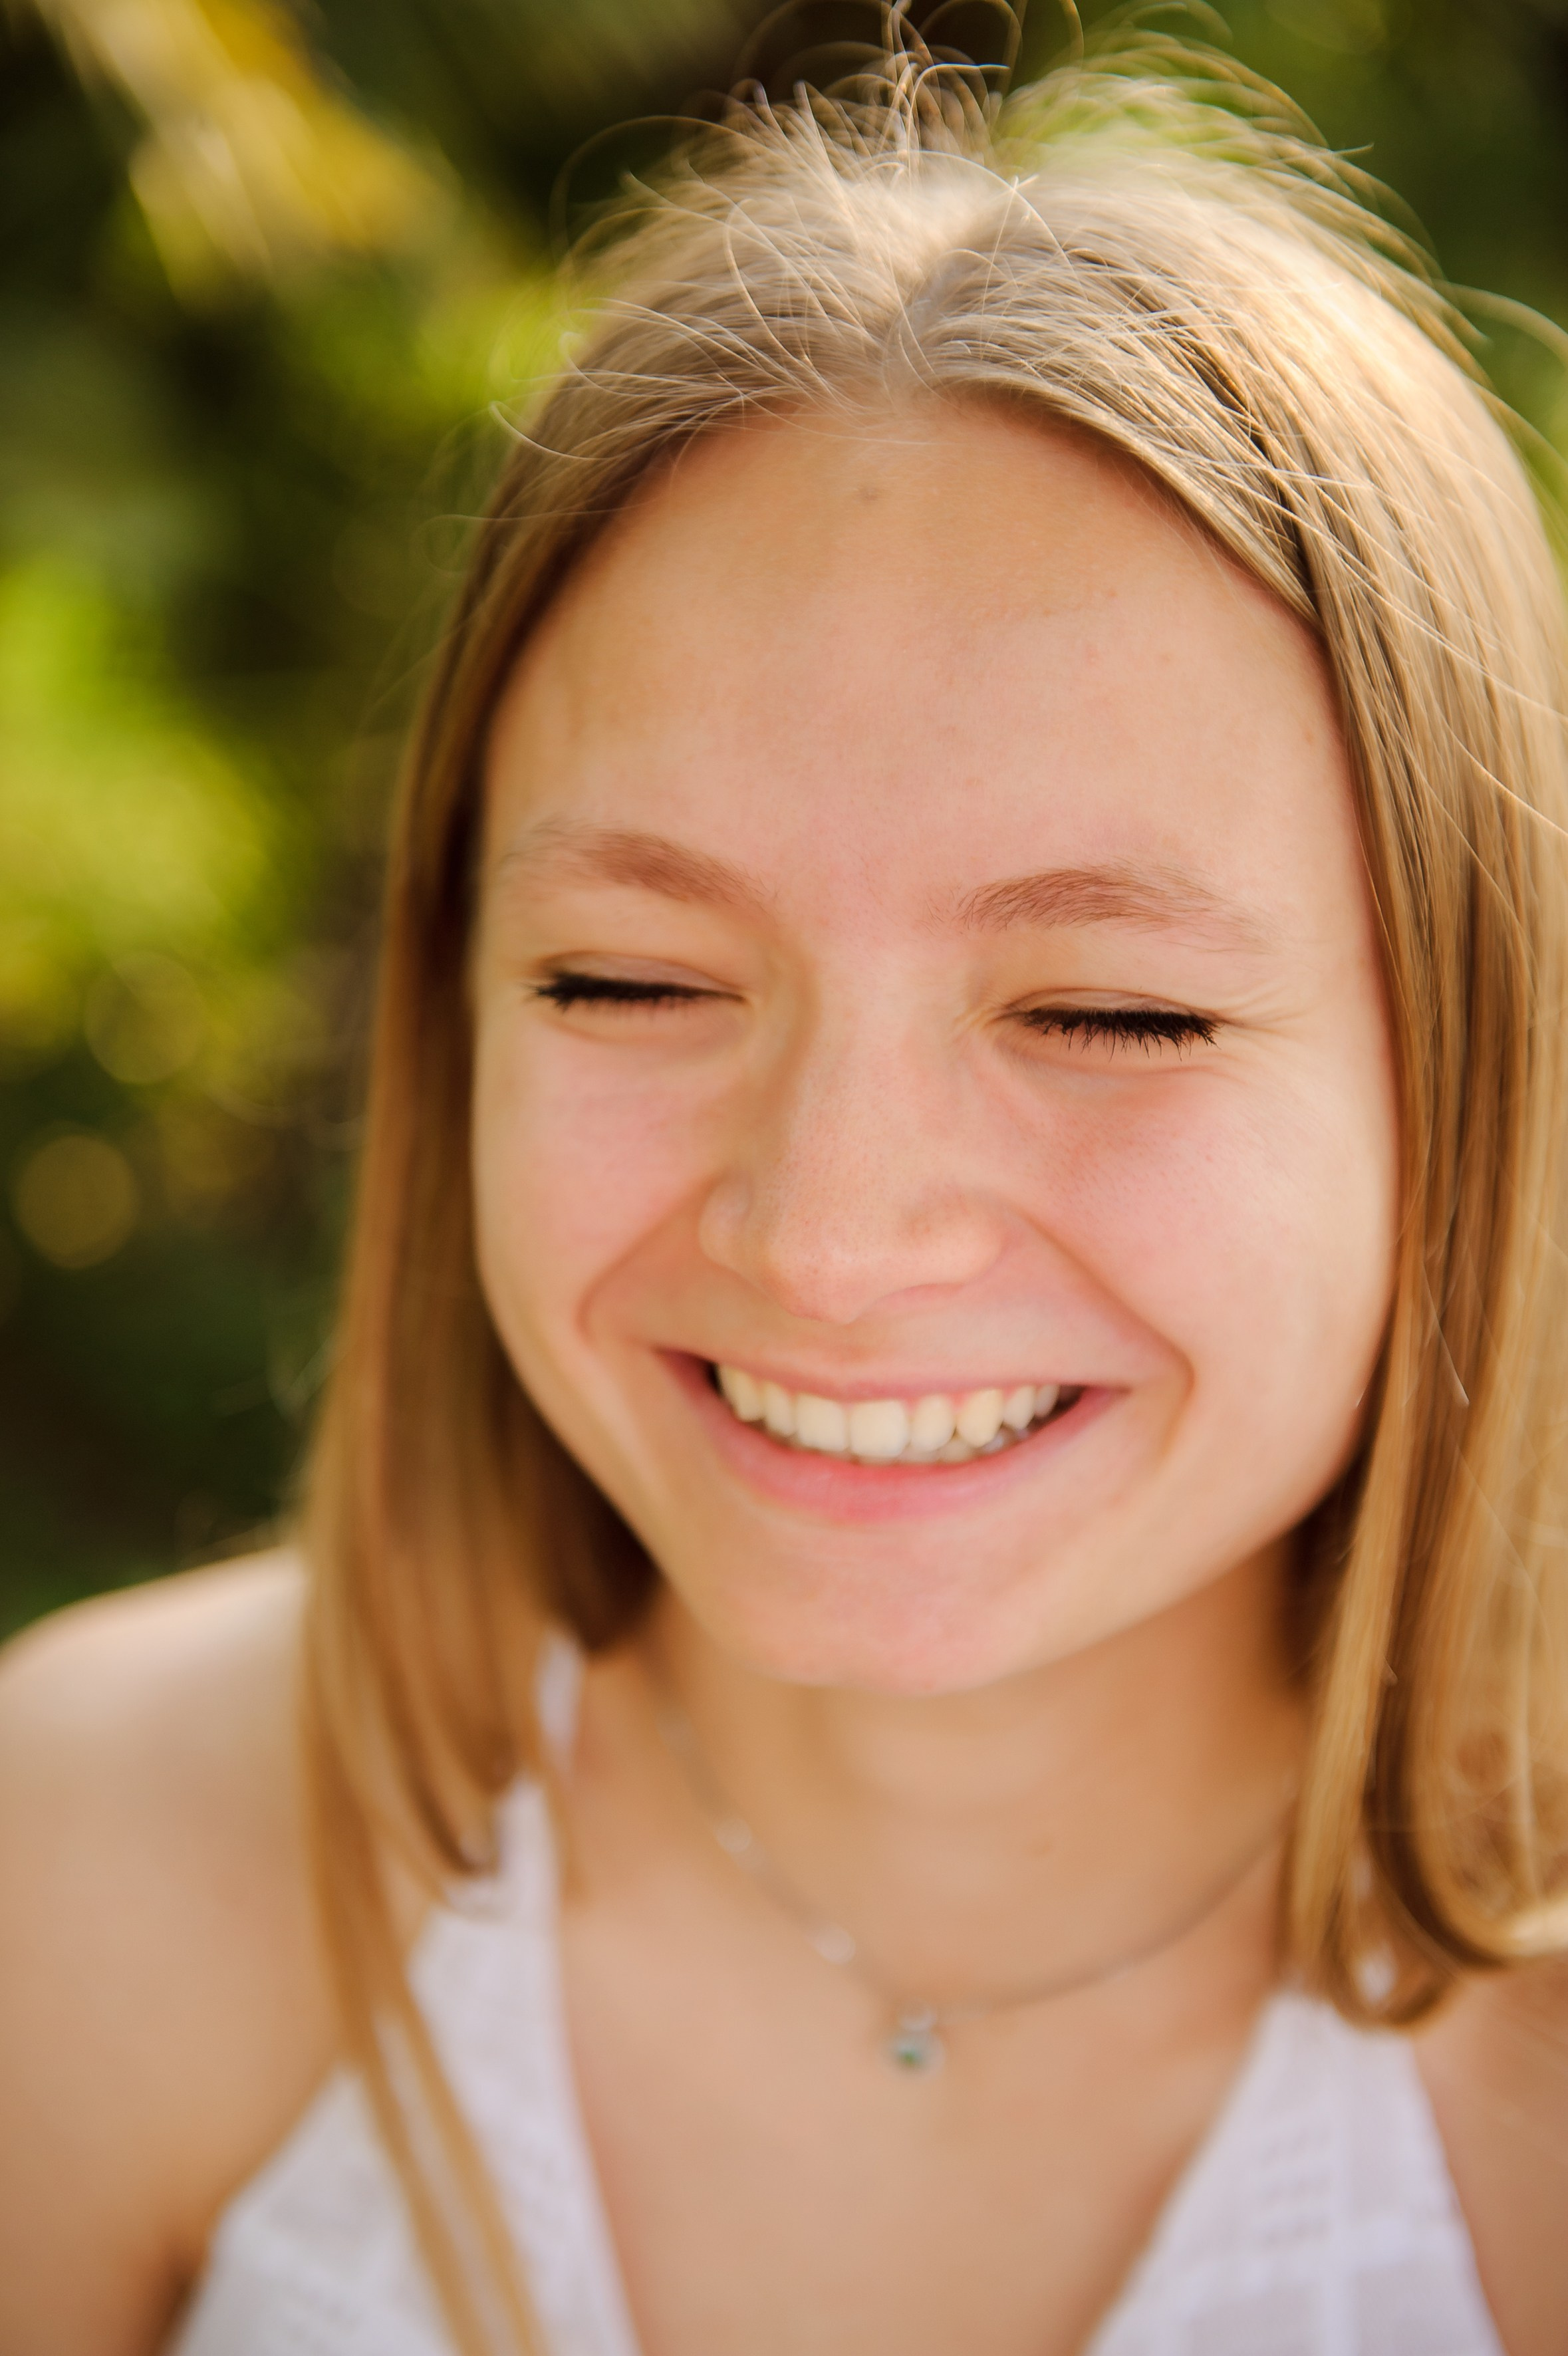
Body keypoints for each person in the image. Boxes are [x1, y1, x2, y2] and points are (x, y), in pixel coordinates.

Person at [3, 29, 1568, 2356]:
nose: (830, 1242)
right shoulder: (98, 1874)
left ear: (1477, 1063)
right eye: (632, 979)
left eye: (1109, 1013)